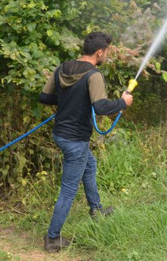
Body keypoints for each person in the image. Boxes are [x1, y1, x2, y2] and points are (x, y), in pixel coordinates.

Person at [39, 31, 133, 252]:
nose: (106, 55)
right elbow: (100, 107)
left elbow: (44, 97)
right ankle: (52, 238)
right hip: (75, 139)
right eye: (106, 52)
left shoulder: (62, 68)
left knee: (89, 165)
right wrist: (122, 102)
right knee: (69, 189)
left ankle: (96, 210)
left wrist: (67, 101)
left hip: (60, 134)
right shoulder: (94, 75)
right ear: (99, 52)